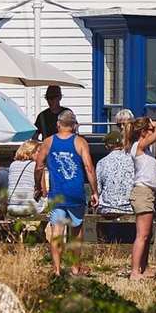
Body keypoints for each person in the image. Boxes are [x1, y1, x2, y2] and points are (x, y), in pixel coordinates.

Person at [34, 109, 96, 276]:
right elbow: (89, 168)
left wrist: (37, 186)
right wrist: (95, 192)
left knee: (57, 231)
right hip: (76, 192)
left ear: (58, 124)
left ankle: (57, 269)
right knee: (76, 231)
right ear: (74, 125)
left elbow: (39, 166)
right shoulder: (81, 142)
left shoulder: (48, 142)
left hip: (58, 193)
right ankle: (75, 267)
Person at [126, 117, 156, 280]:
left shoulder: (147, 151)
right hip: (142, 192)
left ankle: (144, 267)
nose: (152, 132)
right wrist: (155, 125)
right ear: (142, 132)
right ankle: (135, 271)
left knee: (147, 235)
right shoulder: (138, 146)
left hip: (148, 193)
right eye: (148, 129)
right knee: (142, 235)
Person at [94, 129, 135, 216]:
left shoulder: (101, 162)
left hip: (107, 207)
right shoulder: (132, 159)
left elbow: (98, 189)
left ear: (107, 146)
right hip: (128, 207)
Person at [5, 138, 44, 216]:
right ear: (30, 152)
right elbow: (44, 191)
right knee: (53, 206)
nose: (41, 155)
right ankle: (41, 228)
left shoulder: (13, 165)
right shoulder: (37, 167)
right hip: (30, 208)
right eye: (39, 152)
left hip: (11, 207)